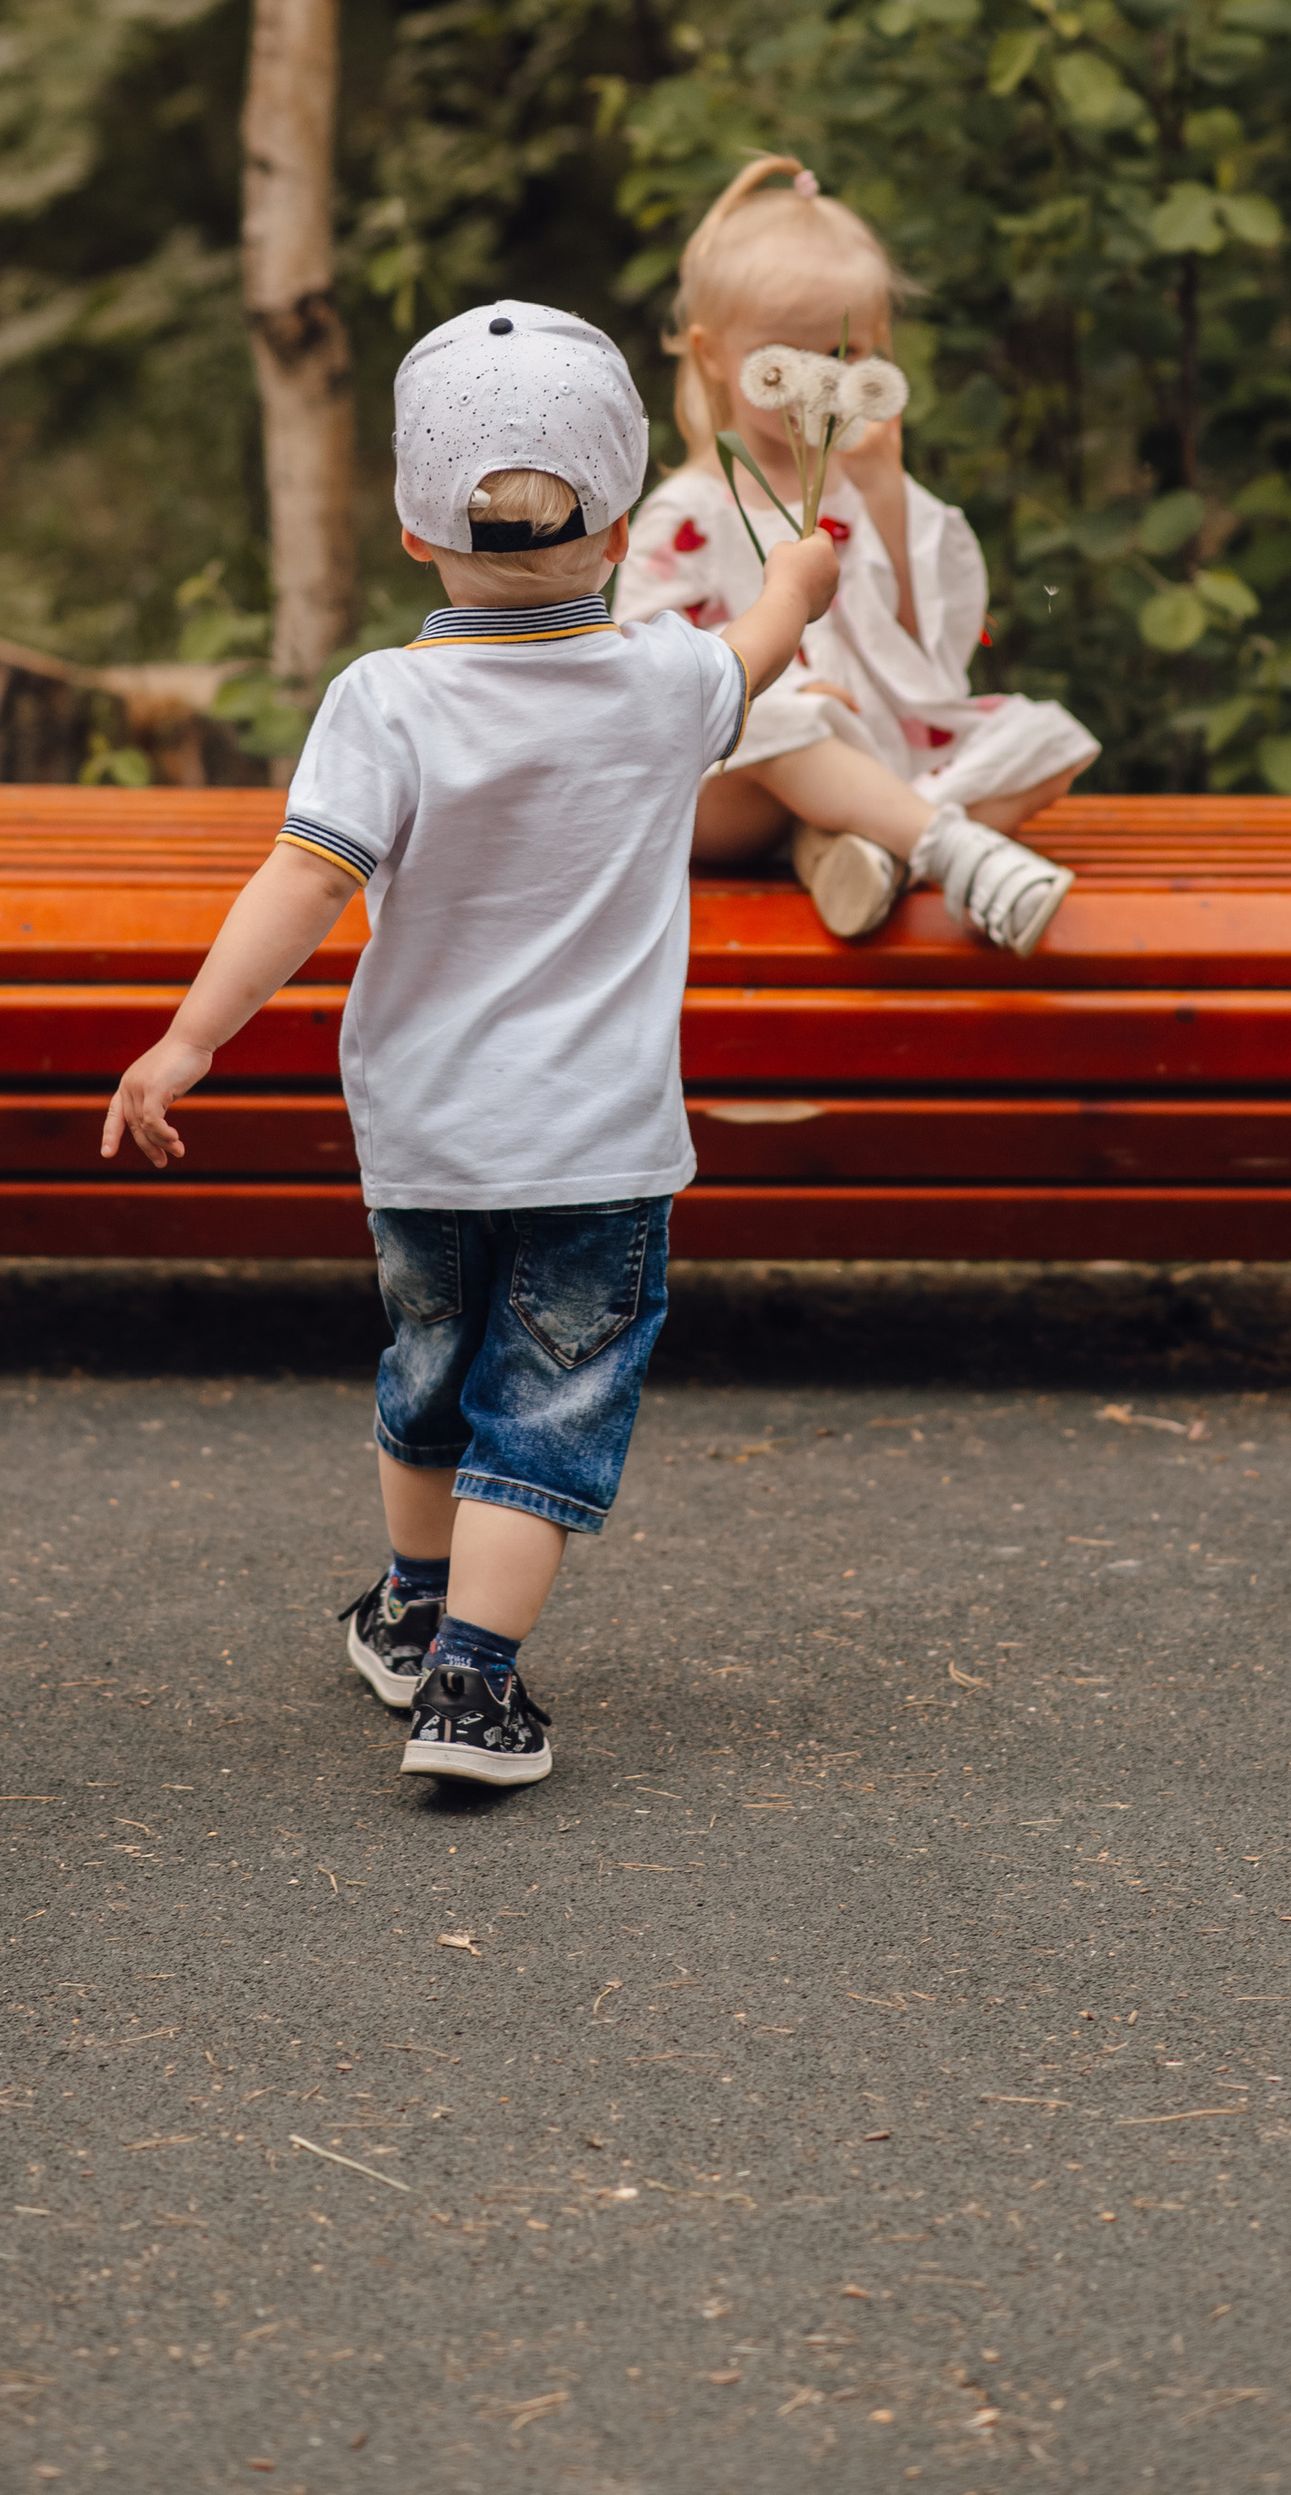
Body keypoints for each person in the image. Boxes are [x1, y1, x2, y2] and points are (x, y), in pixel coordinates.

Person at [104, 298, 841, 1793]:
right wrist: (803, 581)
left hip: (427, 1137)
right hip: (600, 1145)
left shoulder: (383, 700)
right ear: (625, 518)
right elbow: (761, 642)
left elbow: (303, 879)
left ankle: (412, 1604)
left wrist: (188, 1040)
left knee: (431, 1367)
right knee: (547, 1407)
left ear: (407, 524)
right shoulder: (664, 682)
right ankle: (475, 1689)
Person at [610, 155, 1100, 951]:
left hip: (875, 753)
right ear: (710, 354)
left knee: (1049, 744)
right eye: (786, 356)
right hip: (730, 789)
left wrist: (887, 495)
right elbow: (647, 682)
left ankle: (855, 847)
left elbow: (934, 652)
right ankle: (950, 850)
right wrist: (788, 684)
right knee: (768, 717)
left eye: (846, 354)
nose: (816, 383)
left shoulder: (872, 483)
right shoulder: (690, 511)